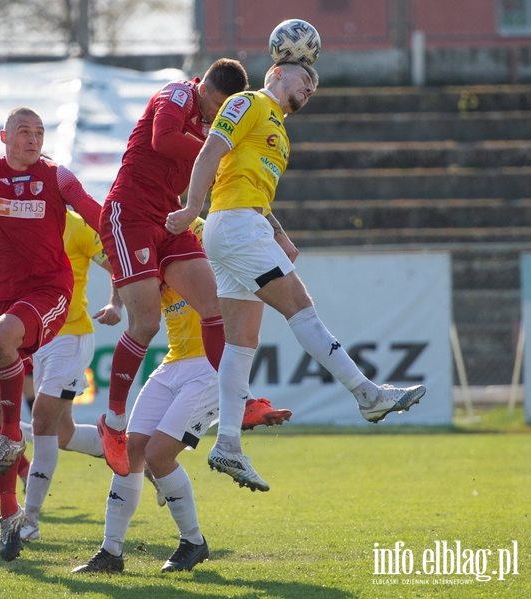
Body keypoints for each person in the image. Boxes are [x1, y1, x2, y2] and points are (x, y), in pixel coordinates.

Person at [165, 62, 425, 489]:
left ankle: (227, 444)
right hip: (234, 226)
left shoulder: (279, 131)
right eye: (304, 77)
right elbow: (209, 150)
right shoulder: (250, 101)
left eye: (315, 84)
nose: (310, 86)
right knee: (300, 307)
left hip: (240, 225)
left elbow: (253, 191)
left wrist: (279, 233)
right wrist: (193, 206)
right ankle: (367, 395)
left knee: (240, 341)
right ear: (278, 72)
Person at [97, 58, 287, 477]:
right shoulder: (178, 93)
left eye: (222, 113)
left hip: (170, 218)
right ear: (203, 89)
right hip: (129, 215)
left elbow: (240, 189)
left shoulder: (219, 130)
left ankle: (242, 399)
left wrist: (279, 233)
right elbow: (163, 139)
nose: (214, 118)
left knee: (214, 308)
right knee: (145, 323)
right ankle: (112, 423)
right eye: (213, 107)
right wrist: (220, 151)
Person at [73, 219, 292, 575]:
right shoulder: (142, 232)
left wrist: (275, 232)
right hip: (173, 362)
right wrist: (117, 302)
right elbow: (123, 270)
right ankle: (110, 553)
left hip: (211, 367)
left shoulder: (203, 228)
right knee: (131, 451)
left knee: (159, 455)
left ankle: (193, 542)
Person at [0, 106, 103, 561]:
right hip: (2, 294)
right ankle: (10, 517)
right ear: (3, 137)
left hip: (49, 291)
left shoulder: (57, 176)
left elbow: (94, 212)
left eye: (38, 132)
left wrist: (131, 241)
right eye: (23, 132)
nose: (33, 139)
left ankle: (15, 438)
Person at [20, 209, 123, 542]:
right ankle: (141, 461)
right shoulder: (18, 224)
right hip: (38, 338)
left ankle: (29, 522)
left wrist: (116, 304)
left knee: (42, 421)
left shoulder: (76, 225)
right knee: (61, 434)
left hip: (71, 337)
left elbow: (118, 265)